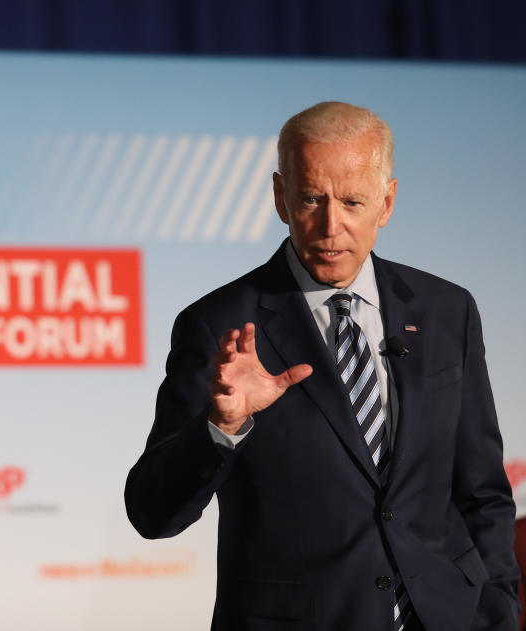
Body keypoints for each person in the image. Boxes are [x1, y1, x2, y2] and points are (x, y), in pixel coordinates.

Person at [124, 101, 519, 631]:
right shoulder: (218, 324)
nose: (331, 226)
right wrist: (221, 426)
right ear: (280, 197)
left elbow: (482, 490)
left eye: (354, 201)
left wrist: (497, 608)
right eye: (312, 198)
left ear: (388, 201)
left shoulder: (448, 311)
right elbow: (152, 513)